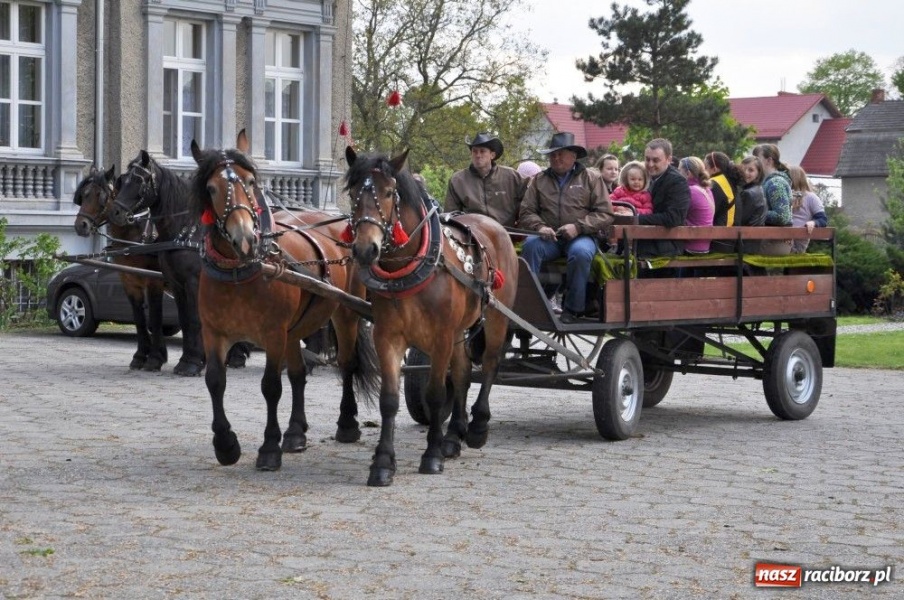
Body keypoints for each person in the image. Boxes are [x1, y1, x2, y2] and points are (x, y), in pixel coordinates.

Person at [519, 132, 614, 322]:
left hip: (583, 236)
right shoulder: (539, 180)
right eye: (553, 155)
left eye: (561, 154)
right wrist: (540, 227)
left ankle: (572, 309)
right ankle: (528, 305)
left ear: (573, 156)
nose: (556, 158)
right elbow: (526, 211)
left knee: (580, 253)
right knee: (530, 246)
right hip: (549, 238)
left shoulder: (591, 178)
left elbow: (605, 214)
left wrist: (578, 227)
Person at [445, 132, 525, 227]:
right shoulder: (458, 180)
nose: (478, 155)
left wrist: (520, 225)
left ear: (492, 155)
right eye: (475, 151)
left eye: (482, 151)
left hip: (507, 232)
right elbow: (450, 215)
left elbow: (527, 208)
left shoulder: (511, 177)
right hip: (471, 233)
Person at [636, 138, 690, 257]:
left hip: (665, 246)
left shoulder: (677, 182)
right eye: (647, 159)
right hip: (644, 240)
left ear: (669, 159)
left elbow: (674, 218)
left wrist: (636, 217)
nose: (650, 164)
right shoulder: (643, 177)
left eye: (656, 160)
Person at [751, 144, 793, 255]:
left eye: (757, 159)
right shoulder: (767, 182)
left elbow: (782, 216)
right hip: (769, 238)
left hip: (776, 242)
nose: (754, 163)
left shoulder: (776, 183)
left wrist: (756, 213)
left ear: (769, 160)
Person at [677, 157, 715, 254]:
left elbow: (677, 215)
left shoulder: (690, 191)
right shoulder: (707, 190)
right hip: (705, 246)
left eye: (679, 170)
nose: (677, 174)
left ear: (688, 173)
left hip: (690, 246)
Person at [787, 165, 828, 253]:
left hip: (798, 242)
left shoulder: (811, 197)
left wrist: (814, 222)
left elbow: (823, 220)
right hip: (781, 237)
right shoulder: (783, 195)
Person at [703, 151, 744, 227]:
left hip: (720, 232)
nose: (703, 171)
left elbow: (707, 213)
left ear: (714, 169)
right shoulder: (731, 181)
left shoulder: (713, 184)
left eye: (705, 168)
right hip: (734, 231)